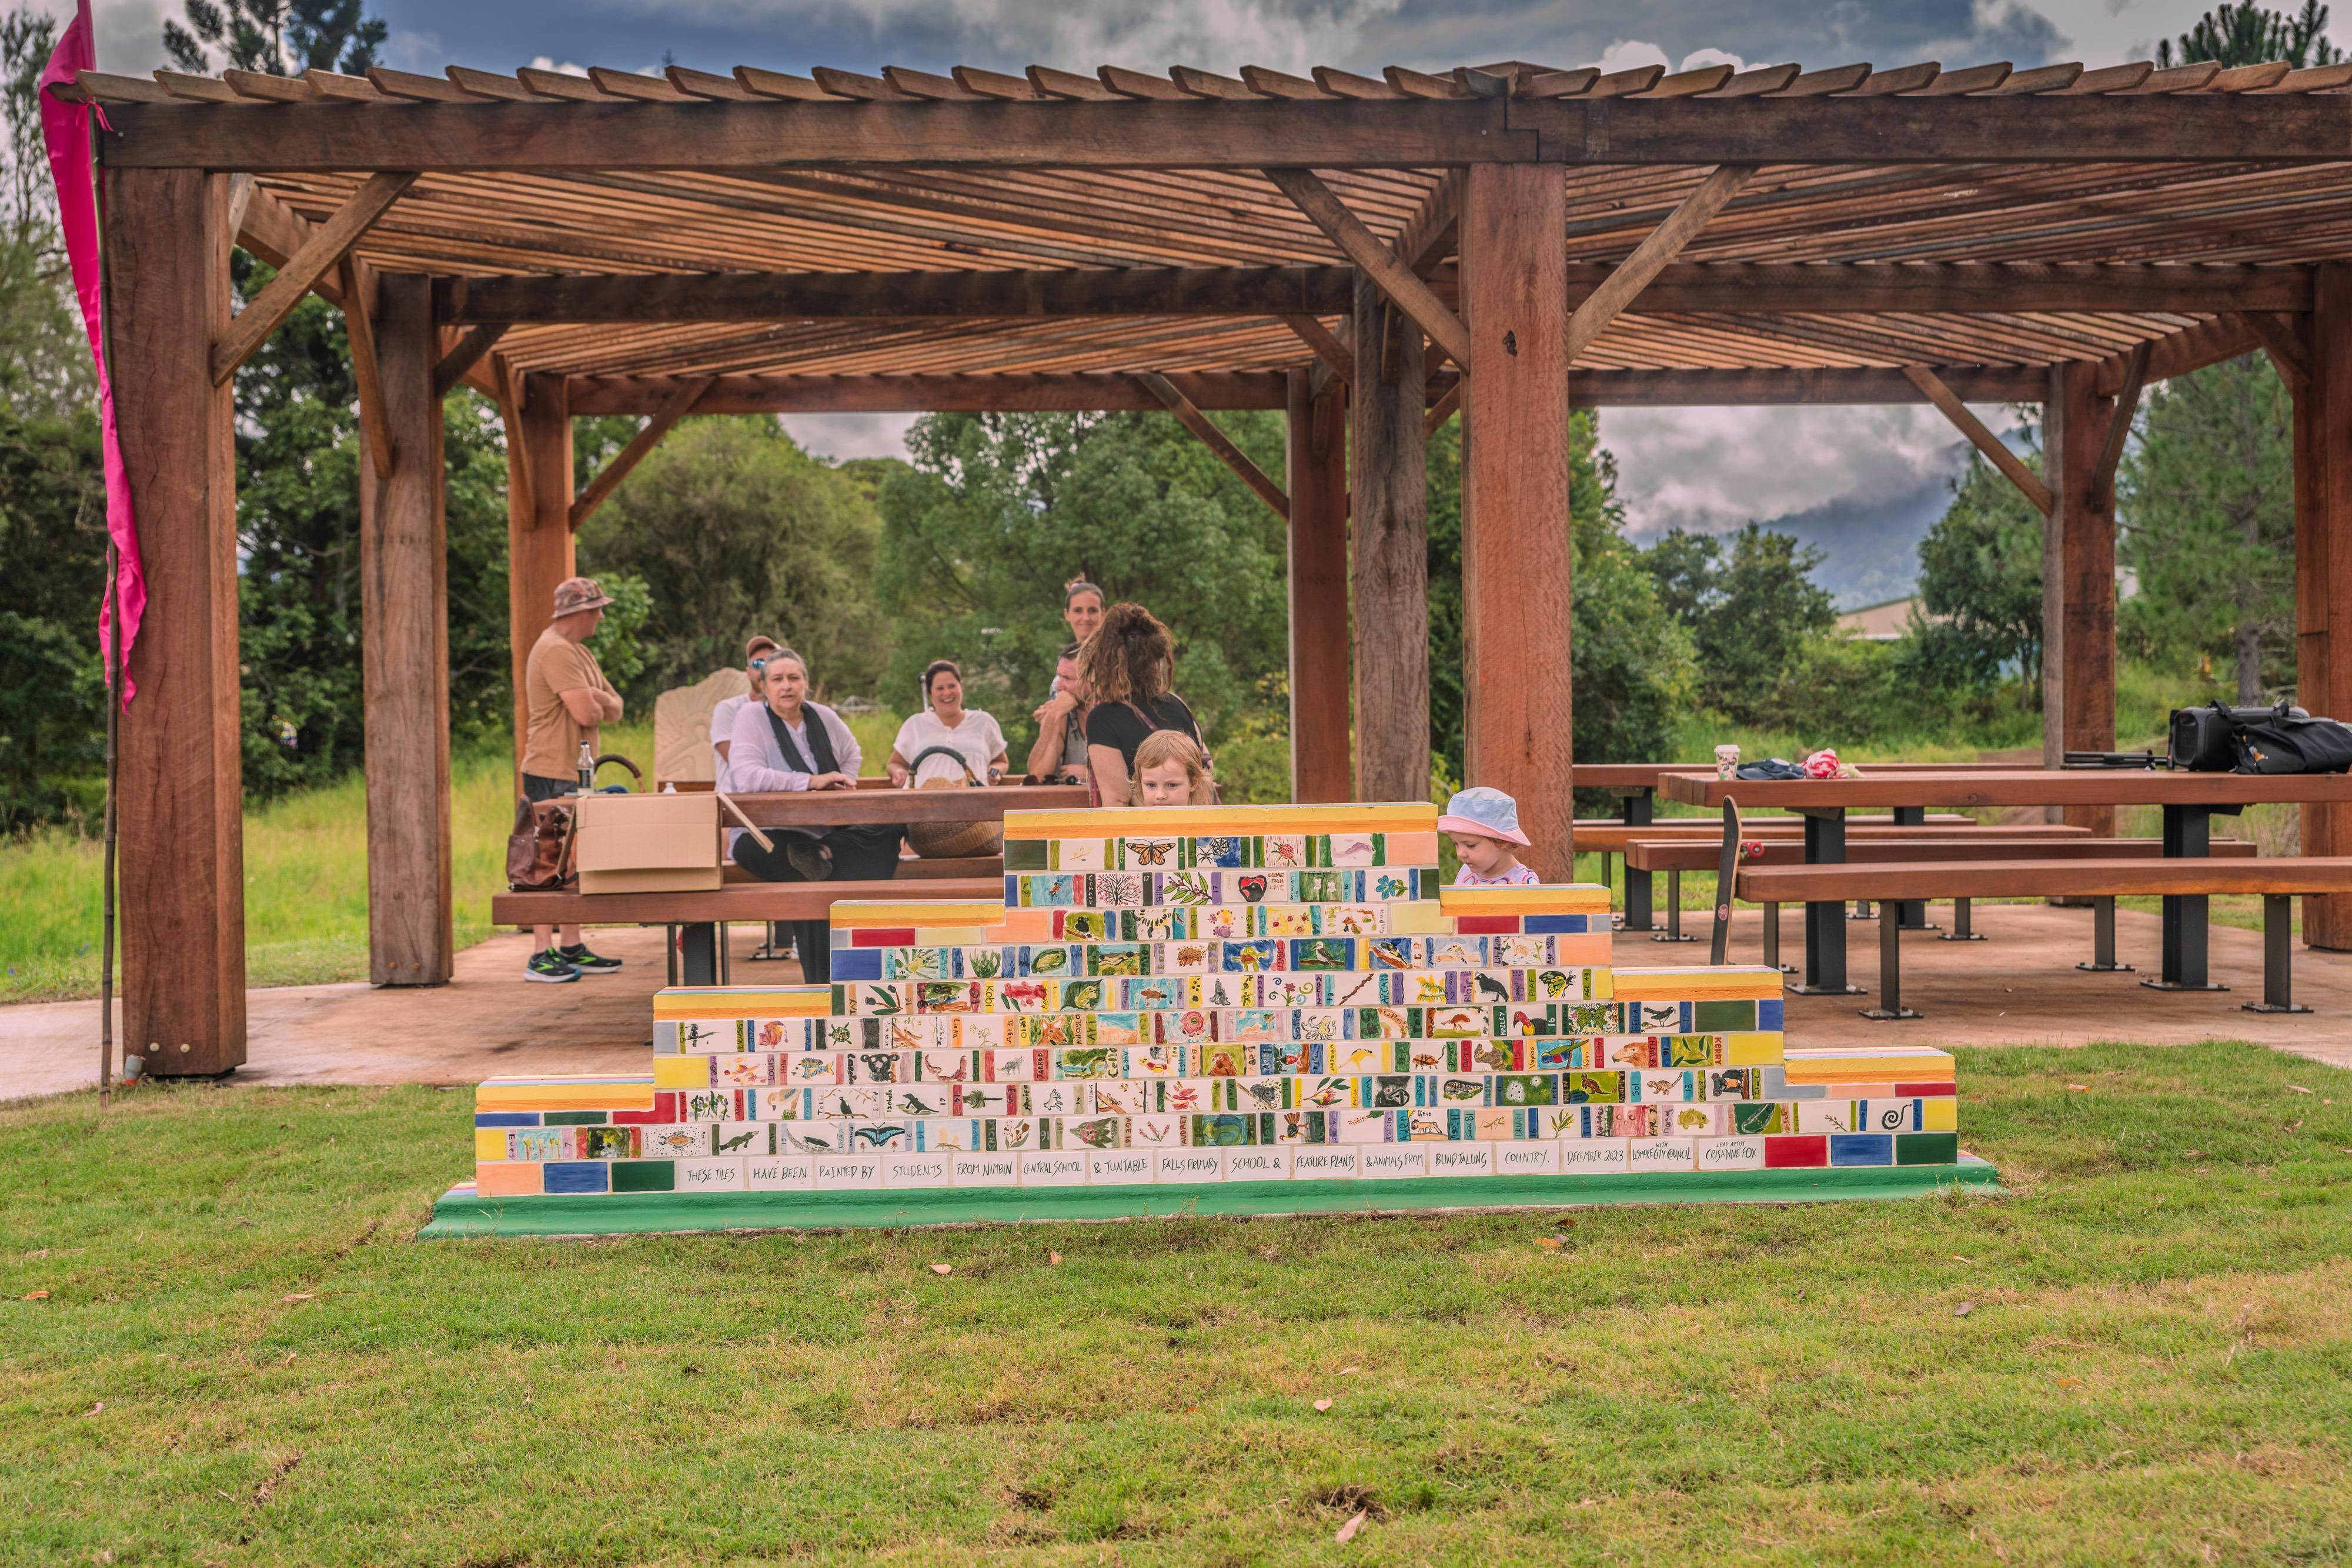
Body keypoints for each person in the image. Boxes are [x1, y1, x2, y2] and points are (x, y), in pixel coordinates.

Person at [726, 648, 900, 982]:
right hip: (765, 834)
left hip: (822, 832)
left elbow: (852, 753)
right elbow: (747, 776)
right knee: (810, 880)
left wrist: (841, 783)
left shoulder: (822, 715)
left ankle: (825, 852)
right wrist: (811, 782)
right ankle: (823, 985)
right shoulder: (751, 716)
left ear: (806, 683)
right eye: (777, 679)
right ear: (764, 686)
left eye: (794, 678)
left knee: (891, 827)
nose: (787, 686)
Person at [518, 576, 626, 983]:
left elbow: (615, 707)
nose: (601, 616)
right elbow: (589, 713)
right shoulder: (555, 651)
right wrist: (595, 698)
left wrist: (596, 698)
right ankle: (540, 955)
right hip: (549, 770)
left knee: (574, 859)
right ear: (579, 612)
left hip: (577, 771)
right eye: (597, 609)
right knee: (546, 860)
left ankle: (571, 945)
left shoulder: (579, 653)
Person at [1081, 602, 1214, 806]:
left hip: (1151, 836)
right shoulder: (1177, 704)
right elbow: (1206, 767)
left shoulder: (1102, 719)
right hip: (1196, 831)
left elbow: (1117, 802)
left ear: (1103, 659)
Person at [887, 660, 1008, 788]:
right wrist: (898, 772)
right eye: (940, 688)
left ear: (961, 687)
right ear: (930, 694)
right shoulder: (914, 724)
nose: (947, 693)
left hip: (975, 804)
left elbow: (1001, 761)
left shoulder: (984, 721)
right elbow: (895, 763)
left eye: (952, 686)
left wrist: (994, 772)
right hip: (922, 804)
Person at [710, 634, 780, 778]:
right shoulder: (729, 710)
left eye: (772, 662)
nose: (765, 669)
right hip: (736, 798)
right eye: (758, 664)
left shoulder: (793, 713)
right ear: (748, 672)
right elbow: (741, 765)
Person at [1439, 787, 1540, 887]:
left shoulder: (1523, 883)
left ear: (1502, 841)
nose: (1460, 853)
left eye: (1470, 845)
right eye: (1456, 844)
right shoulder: (1466, 872)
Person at [1025, 642, 1093, 784]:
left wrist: (1090, 774)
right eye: (1059, 677)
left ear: (1093, 679)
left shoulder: (1116, 714)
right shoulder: (1061, 714)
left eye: (1067, 678)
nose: (1058, 686)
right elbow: (1037, 775)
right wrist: (1053, 716)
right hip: (1068, 803)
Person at [1132, 729, 1208, 805]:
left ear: (1193, 783)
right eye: (1151, 785)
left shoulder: (1204, 817)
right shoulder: (1134, 817)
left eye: (1172, 785)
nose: (1160, 796)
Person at [1062, 579, 1105, 647]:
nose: (1086, 618)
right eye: (1078, 611)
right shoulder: (1065, 658)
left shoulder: (1120, 655)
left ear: (1103, 614)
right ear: (1067, 614)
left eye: (1093, 610)